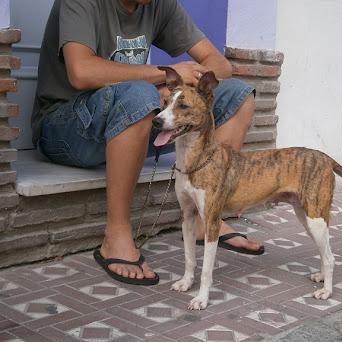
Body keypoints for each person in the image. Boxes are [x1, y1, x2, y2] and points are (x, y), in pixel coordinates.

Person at [32, 0, 264, 285]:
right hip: (65, 129)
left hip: (134, 118)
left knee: (237, 95)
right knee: (140, 95)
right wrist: (161, 76)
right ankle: (115, 234)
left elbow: (220, 65)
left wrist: (184, 88)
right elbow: (81, 72)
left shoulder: (159, 4)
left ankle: (206, 217)